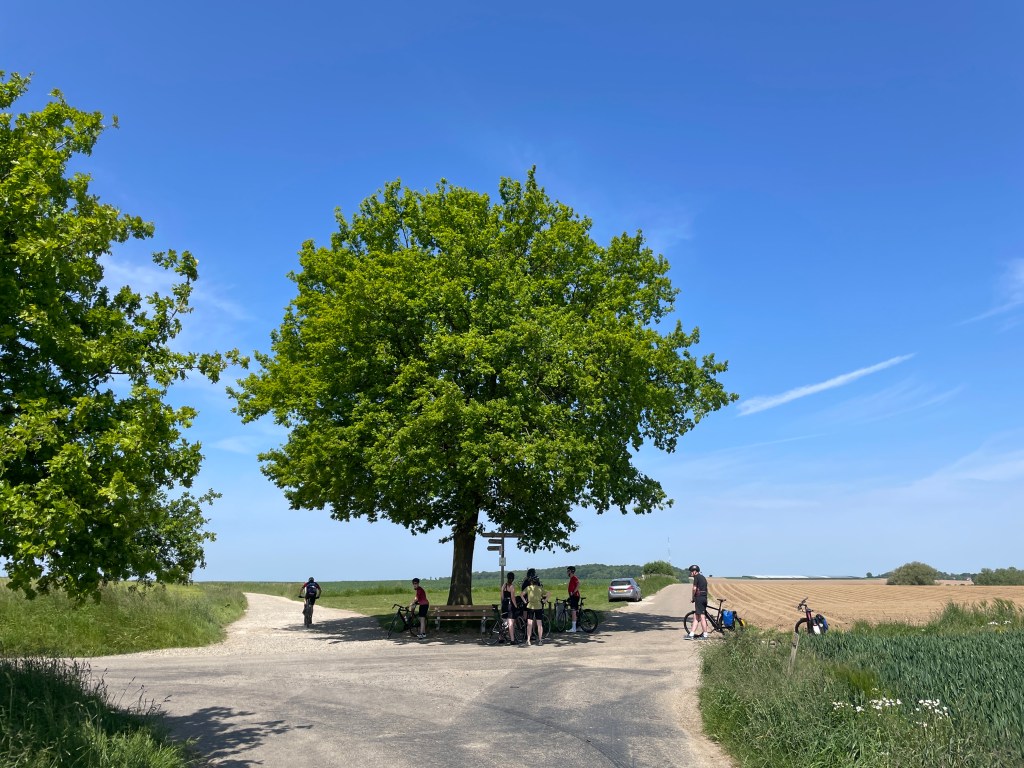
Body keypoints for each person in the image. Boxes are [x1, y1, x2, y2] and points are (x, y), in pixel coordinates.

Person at [520, 568, 549, 646]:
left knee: (529, 623)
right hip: (539, 607)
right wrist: (545, 601)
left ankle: (528, 640)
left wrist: (525, 602)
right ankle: (540, 640)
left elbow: (521, 595)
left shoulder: (528, 588)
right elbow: (548, 593)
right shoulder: (540, 588)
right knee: (539, 624)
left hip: (530, 607)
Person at [686, 564, 709, 640]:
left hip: (699, 598)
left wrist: (693, 598)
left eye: (691, 571)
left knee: (702, 617)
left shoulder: (696, 577)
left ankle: (705, 635)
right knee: (696, 616)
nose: (691, 573)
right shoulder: (703, 577)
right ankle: (691, 634)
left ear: (695, 572)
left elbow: (694, 588)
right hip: (704, 597)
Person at [500, 572, 518, 644]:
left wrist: (503, 602)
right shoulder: (512, 587)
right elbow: (513, 598)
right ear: (513, 579)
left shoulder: (504, 585)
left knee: (504, 622)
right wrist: (516, 606)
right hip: (510, 605)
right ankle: (512, 639)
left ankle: (501, 638)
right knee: (510, 623)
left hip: (504, 604)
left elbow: (501, 596)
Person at [566, 566, 581, 633]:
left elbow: (578, 584)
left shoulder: (574, 577)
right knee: (576, 611)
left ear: (571, 571)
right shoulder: (571, 578)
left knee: (573, 611)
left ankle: (573, 628)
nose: (567, 572)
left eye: (568, 571)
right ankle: (578, 627)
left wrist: (574, 592)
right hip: (573, 596)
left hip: (574, 596)